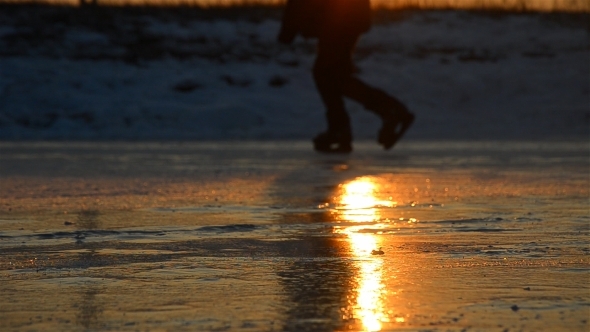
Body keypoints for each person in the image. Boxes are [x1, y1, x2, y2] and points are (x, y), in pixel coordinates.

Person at [278, 0, 415, 153]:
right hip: (343, 18)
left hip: (338, 20)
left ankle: (387, 112)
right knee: (332, 76)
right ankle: (381, 114)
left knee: (328, 74)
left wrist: (288, 29)